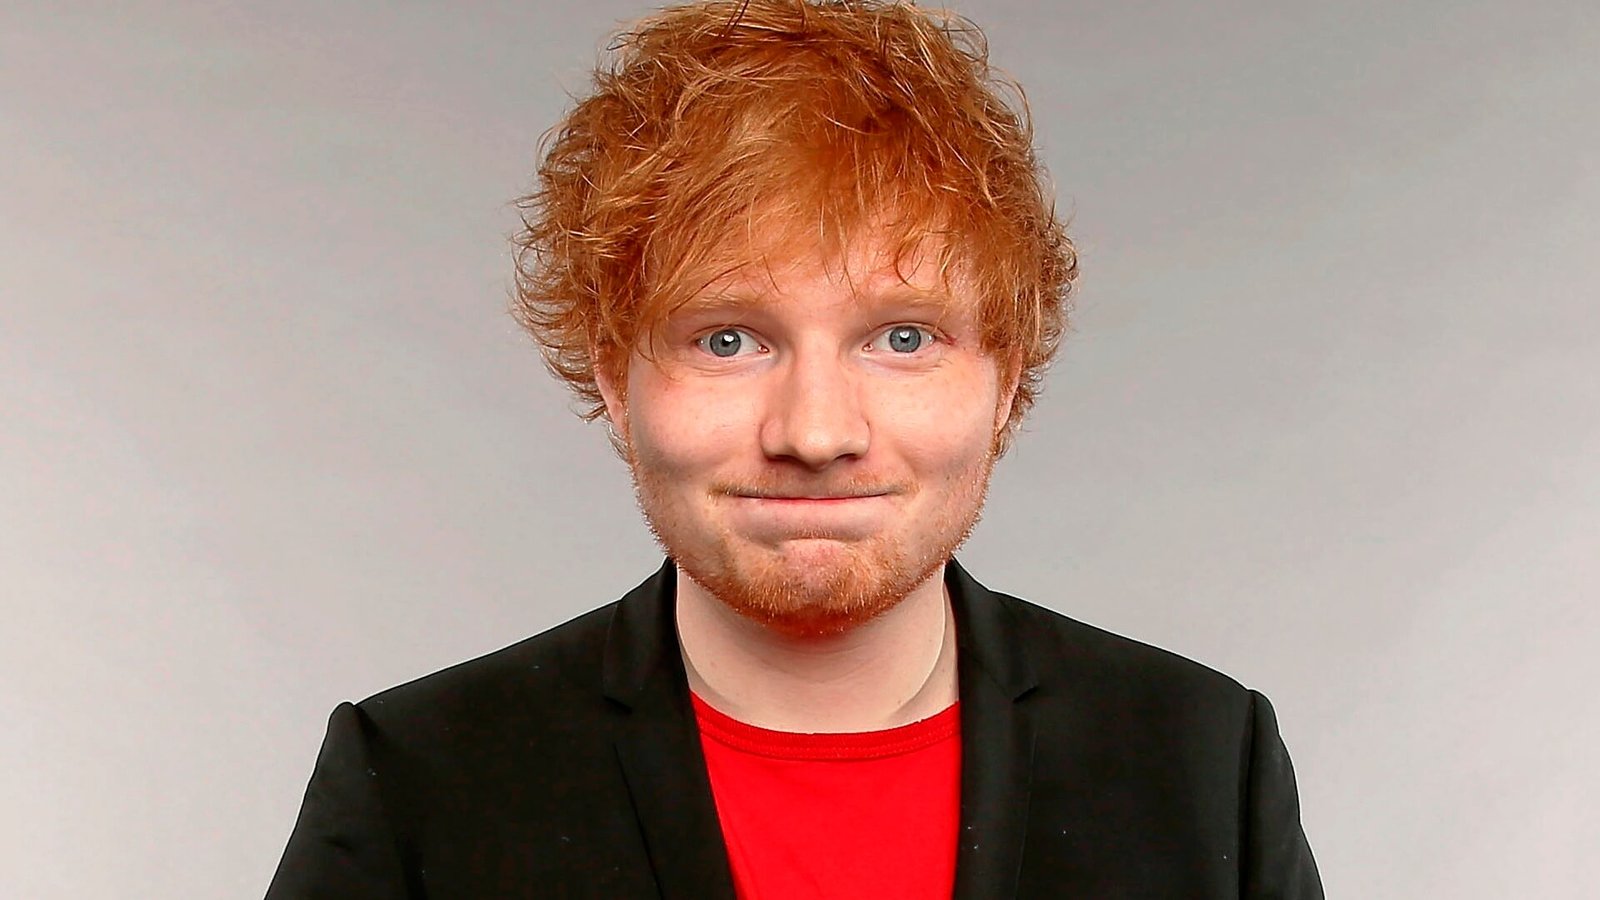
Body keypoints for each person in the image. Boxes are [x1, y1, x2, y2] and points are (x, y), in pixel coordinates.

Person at [266, 1, 1323, 897]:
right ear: (613, 378)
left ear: (1005, 376)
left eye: (901, 338)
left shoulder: (1200, 760)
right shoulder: (417, 782)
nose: (815, 434)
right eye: (728, 339)